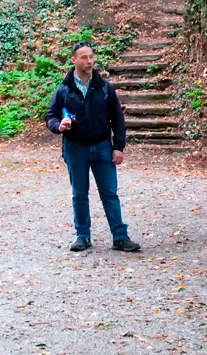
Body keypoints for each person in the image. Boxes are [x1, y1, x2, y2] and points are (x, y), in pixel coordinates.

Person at [46, 42, 140, 253]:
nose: (89, 61)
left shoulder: (105, 88)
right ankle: (83, 236)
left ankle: (120, 237)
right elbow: (50, 117)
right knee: (79, 194)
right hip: (74, 148)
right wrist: (59, 126)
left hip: (102, 147)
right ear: (73, 61)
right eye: (84, 58)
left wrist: (119, 147)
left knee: (110, 194)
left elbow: (118, 119)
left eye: (91, 57)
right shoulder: (63, 89)